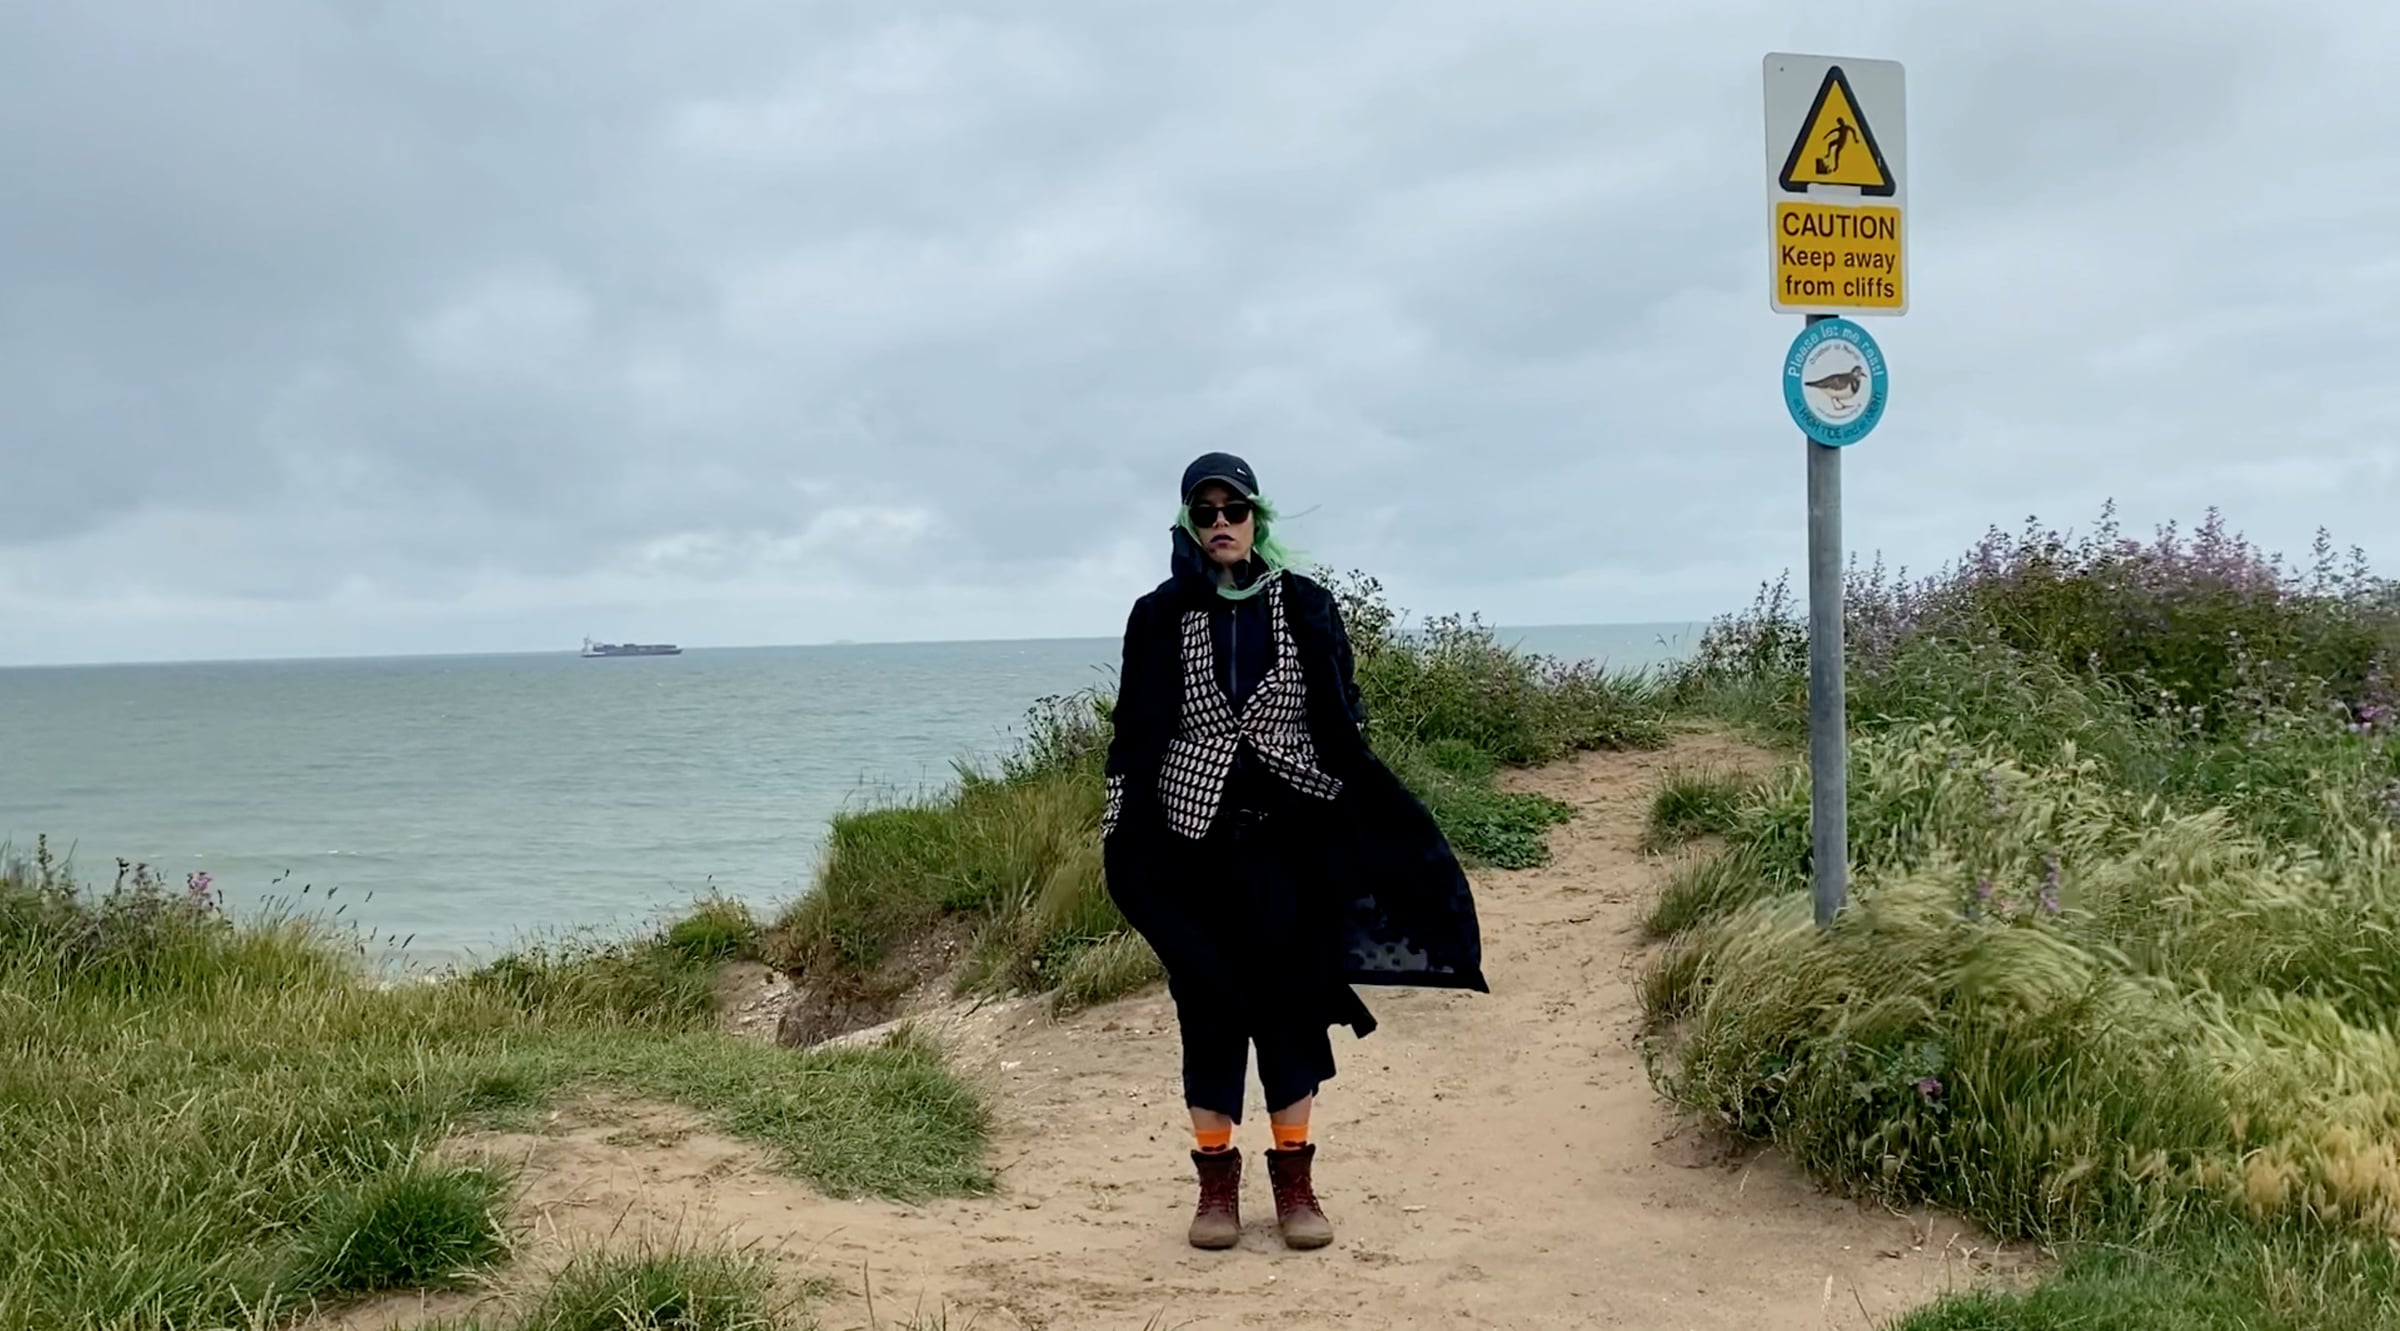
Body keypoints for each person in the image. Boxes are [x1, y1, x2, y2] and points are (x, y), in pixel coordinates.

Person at [1100, 451, 1488, 1252]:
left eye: (1232, 509)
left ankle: (1296, 1186)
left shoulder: (1307, 605)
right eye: (1204, 512)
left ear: (1256, 517)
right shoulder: (1158, 614)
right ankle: (1216, 1189)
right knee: (1207, 1003)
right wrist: (1121, 839)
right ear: (1187, 523)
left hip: (1291, 845)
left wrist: (1365, 815)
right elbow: (1133, 735)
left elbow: (1343, 715)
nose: (1220, 524)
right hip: (1191, 848)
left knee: (1290, 1004)